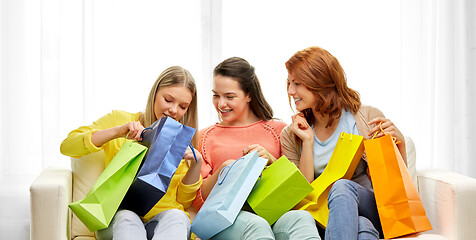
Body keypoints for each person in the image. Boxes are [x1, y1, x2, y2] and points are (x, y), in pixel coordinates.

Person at [60, 66, 203, 240]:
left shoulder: (181, 139)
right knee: (127, 217)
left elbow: (184, 201)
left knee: (178, 216)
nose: (174, 110)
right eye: (168, 100)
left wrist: (197, 163)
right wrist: (117, 132)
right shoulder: (121, 120)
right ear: (154, 94)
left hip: (162, 221)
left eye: (183, 106)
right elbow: (67, 146)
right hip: (118, 218)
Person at [280, 46, 407, 240]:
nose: (290, 91)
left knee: (342, 187)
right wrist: (307, 142)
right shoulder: (291, 134)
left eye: (297, 83)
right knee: (363, 228)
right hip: (326, 218)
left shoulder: (367, 117)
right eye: (289, 83)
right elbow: (303, 196)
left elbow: (394, 184)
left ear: (320, 82)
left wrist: (401, 144)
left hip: (370, 206)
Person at [192, 57, 321, 240]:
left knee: (301, 218)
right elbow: (197, 200)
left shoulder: (277, 130)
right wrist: (225, 170)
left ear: (248, 95)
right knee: (256, 226)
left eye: (229, 97)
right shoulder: (204, 137)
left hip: (273, 212)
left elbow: (299, 189)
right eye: (216, 95)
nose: (221, 104)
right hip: (224, 220)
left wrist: (271, 160)